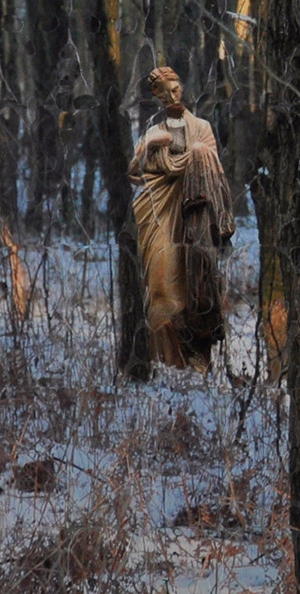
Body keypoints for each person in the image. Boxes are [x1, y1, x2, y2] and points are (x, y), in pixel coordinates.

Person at [129, 67, 234, 371]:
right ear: (156, 95)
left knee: (194, 283)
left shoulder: (201, 128)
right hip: (157, 212)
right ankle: (163, 362)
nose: (172, 96)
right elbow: (134, 172)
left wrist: (195, 153)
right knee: (160, 286)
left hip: (194, 217)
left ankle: (193, 363)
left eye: (175, 88)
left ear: (181, 87)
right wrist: (150, 146)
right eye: (164, 92)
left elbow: (214, 173)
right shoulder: (153, 132)